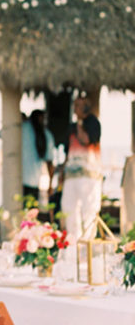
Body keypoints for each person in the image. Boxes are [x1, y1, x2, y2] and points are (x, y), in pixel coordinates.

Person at [0, 111, 55, 201]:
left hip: (19, 181)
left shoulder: (22, 129)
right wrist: (50, 185)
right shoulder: (45, 134)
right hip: (32, 182)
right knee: (29, 212)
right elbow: (50, 163)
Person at [60, 96, 102, 238]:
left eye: (78, 105)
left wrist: (80, 123)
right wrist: (62, 173)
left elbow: (86, 140)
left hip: (88, 174)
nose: (75, 108)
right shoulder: (71, 127)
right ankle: (73, 244)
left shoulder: (92, 122)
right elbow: (68, 151)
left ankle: (87, 245)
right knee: (69, 209)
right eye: (75, 105)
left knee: (88, 211)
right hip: (71, 174)